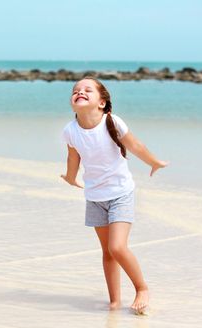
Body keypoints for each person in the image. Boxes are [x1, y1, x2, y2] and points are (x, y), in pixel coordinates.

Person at [60, 77, 169, 314]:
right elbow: (73, 157)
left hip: (121, 193)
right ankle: (114, 301)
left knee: (118, 247)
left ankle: (142, 288)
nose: (80, 92)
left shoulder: (112, 122)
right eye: (76, 90)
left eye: (88, 90)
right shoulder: (70, 131)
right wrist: (70, 177)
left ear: (102, 103)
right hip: (95, 197)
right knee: (107, 252)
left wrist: (154, 162)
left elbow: (136, 146)